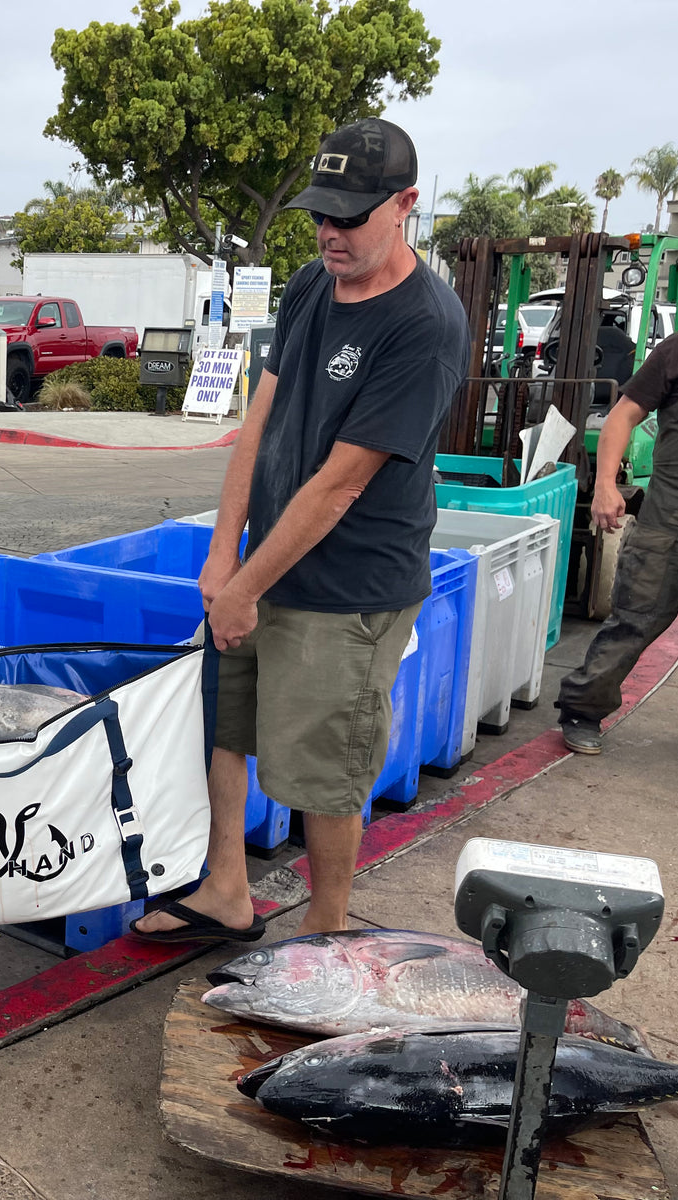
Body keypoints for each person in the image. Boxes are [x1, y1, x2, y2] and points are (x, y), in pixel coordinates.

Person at [132, 119, 469, 943]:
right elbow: (261, 419)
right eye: (322, 214)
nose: (331, 233)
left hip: (351, 586)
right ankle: (226, 889)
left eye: (351, 217)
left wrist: (245, 587)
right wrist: (224, 555)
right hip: (263, 566)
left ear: (406, 206)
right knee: (226, 725)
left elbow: (341, 485)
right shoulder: (312, 284)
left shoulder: (425, 325)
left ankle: (325, 932)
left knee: (323, 768)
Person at [557, 284, 678, 762]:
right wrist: (607, 485)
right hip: (674, 521)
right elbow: (622, 417)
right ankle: (583, 710)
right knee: (635, 619)